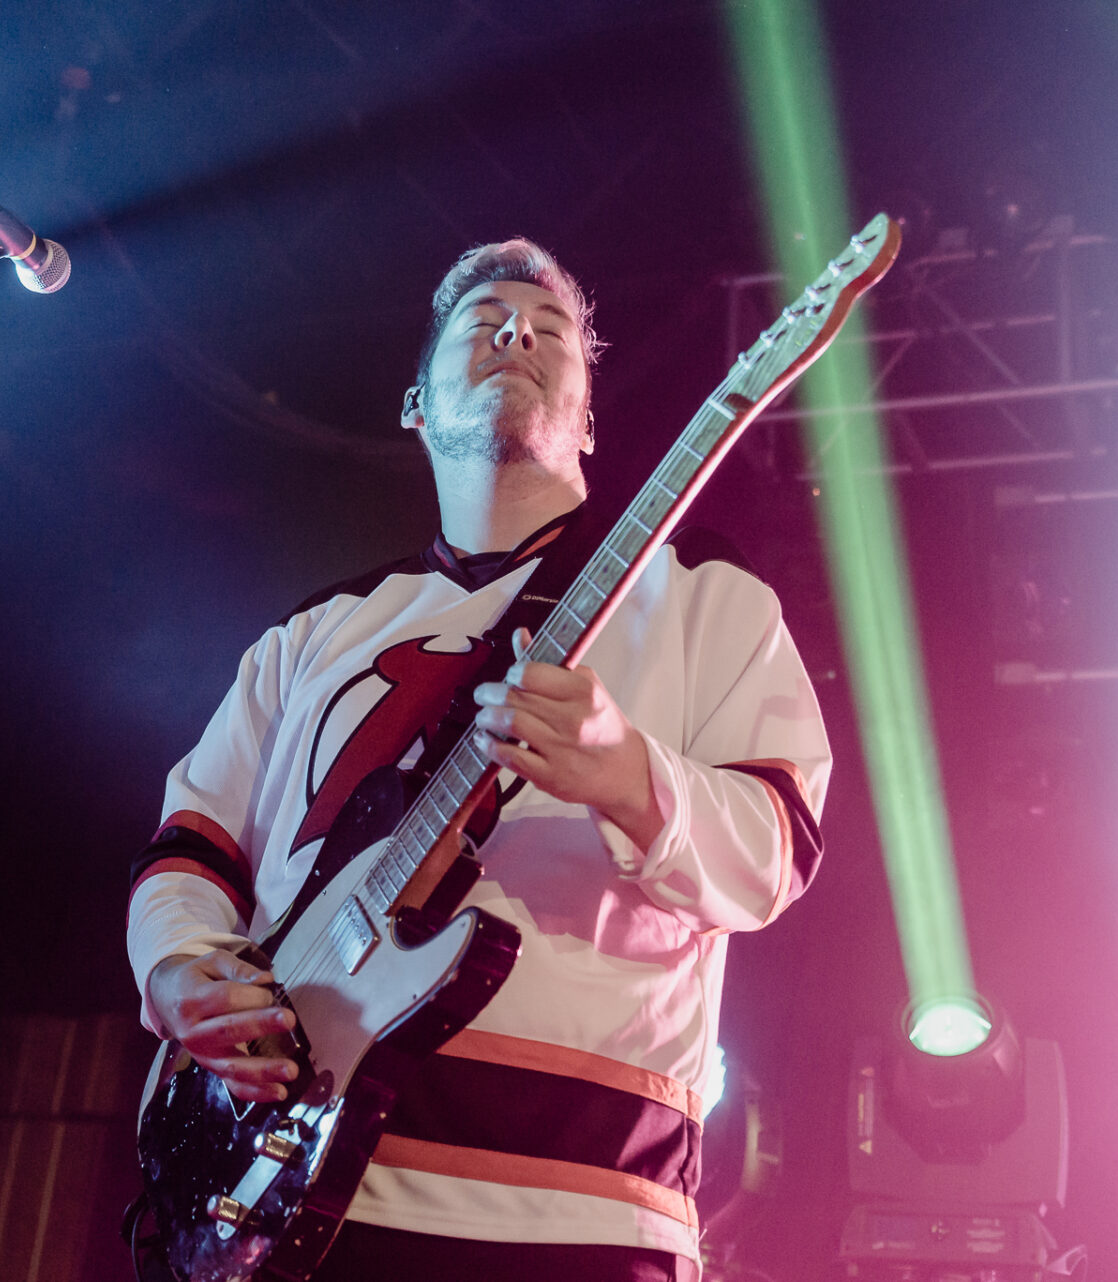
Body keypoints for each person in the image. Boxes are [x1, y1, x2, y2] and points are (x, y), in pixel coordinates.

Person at [127, 238, 830, 1281]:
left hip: (576, 1213)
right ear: (415, 404)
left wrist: (628, 775)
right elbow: (191, 850)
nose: (517, 333)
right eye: (483, 322)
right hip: (282, 1184)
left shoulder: (706, 598)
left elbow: (777, 856)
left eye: (551, 330)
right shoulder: (308, 635)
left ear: (588, 420)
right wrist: (177, 969)